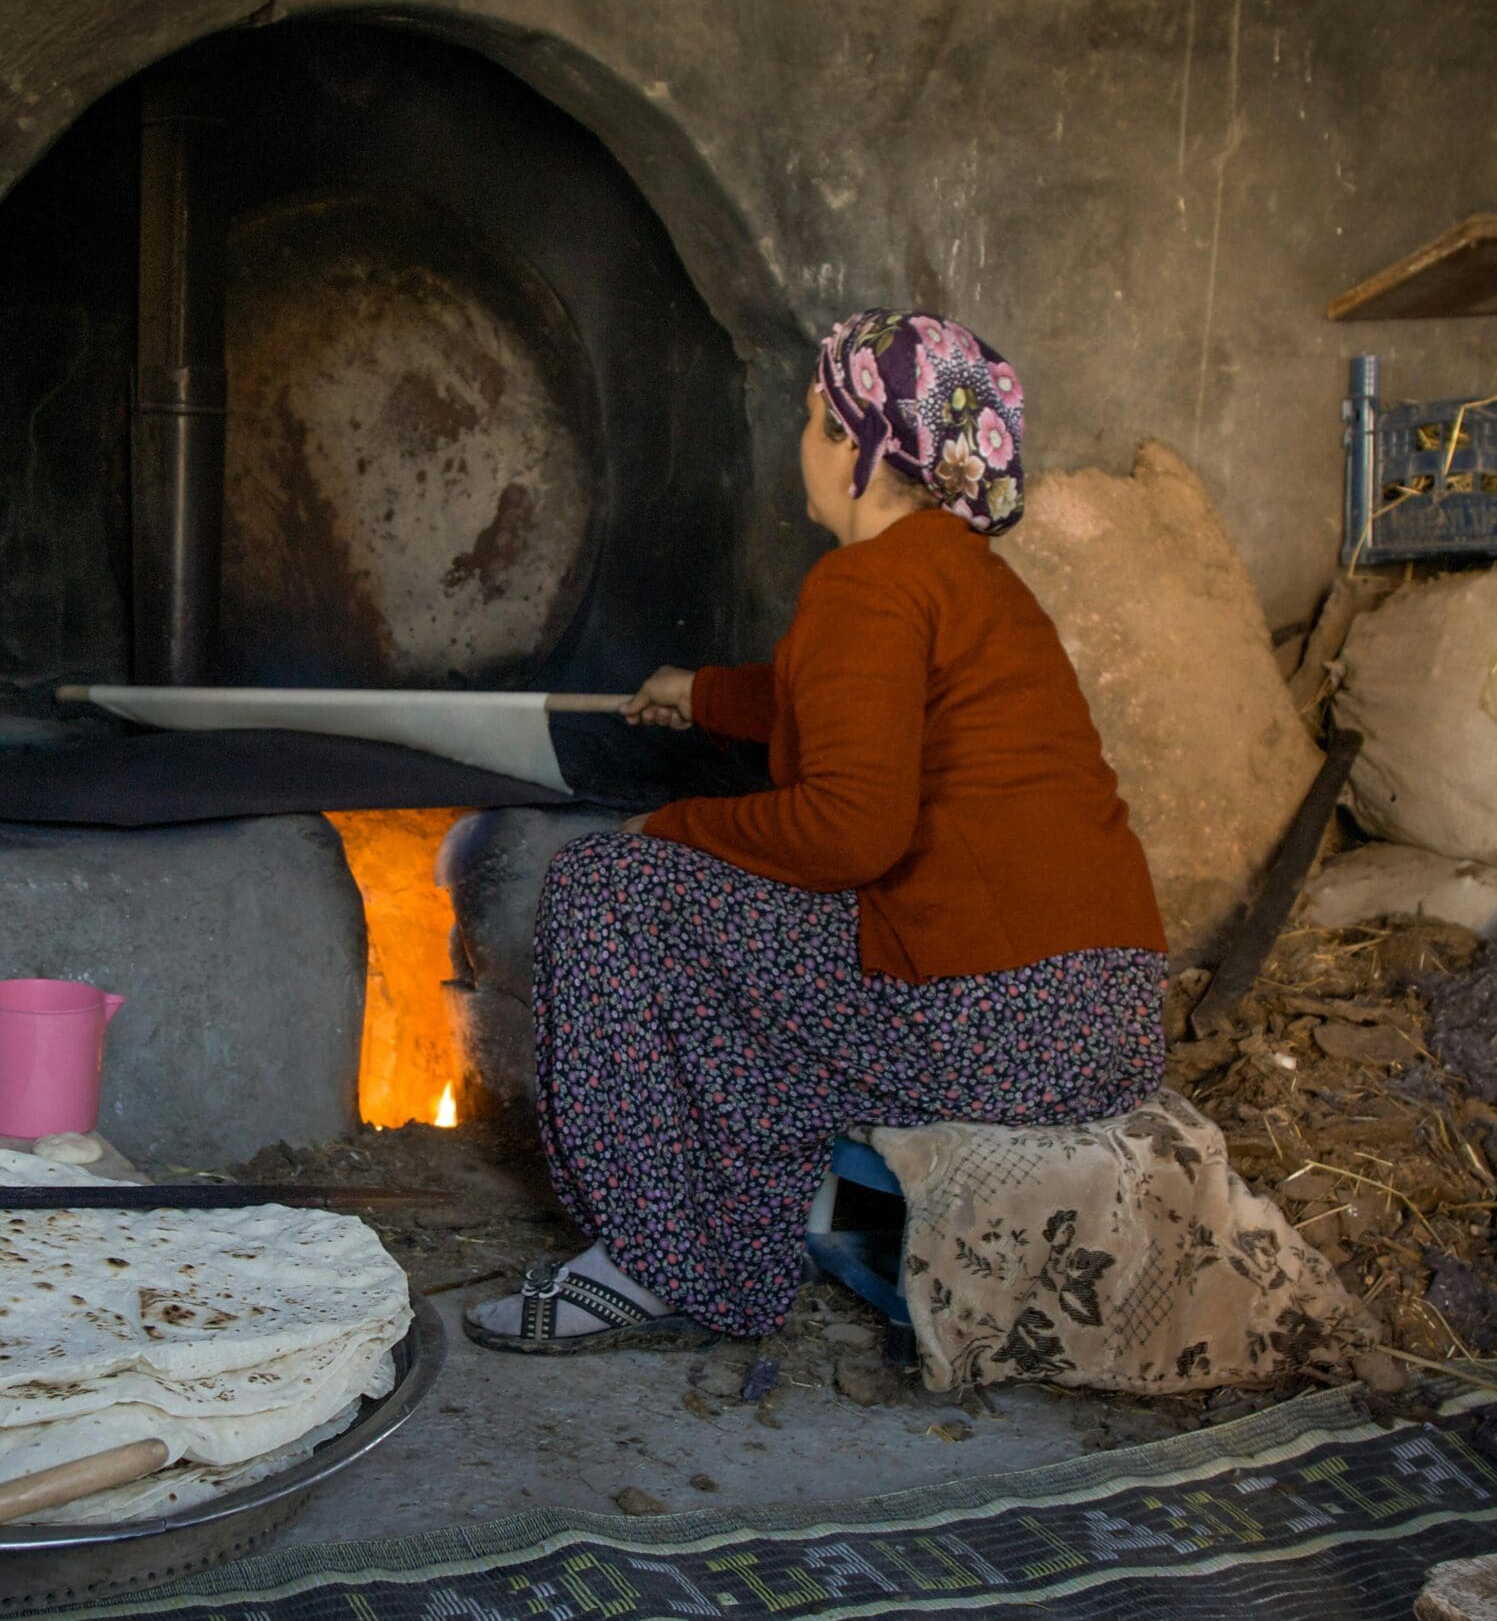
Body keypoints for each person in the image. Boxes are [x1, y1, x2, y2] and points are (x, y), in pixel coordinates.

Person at [466, 308, 1169, 1353]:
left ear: (858, 445)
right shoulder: (957, 572)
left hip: (992, 1024)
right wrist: (701, 695)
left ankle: (651, 1262)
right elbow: (842, 698)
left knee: (604, 889)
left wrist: (672, 826)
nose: (799, 443)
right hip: (1097, 1014)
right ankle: (753, 1215)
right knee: (724, 926)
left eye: (811, 420)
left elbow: (848, 835)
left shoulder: (865, 582)